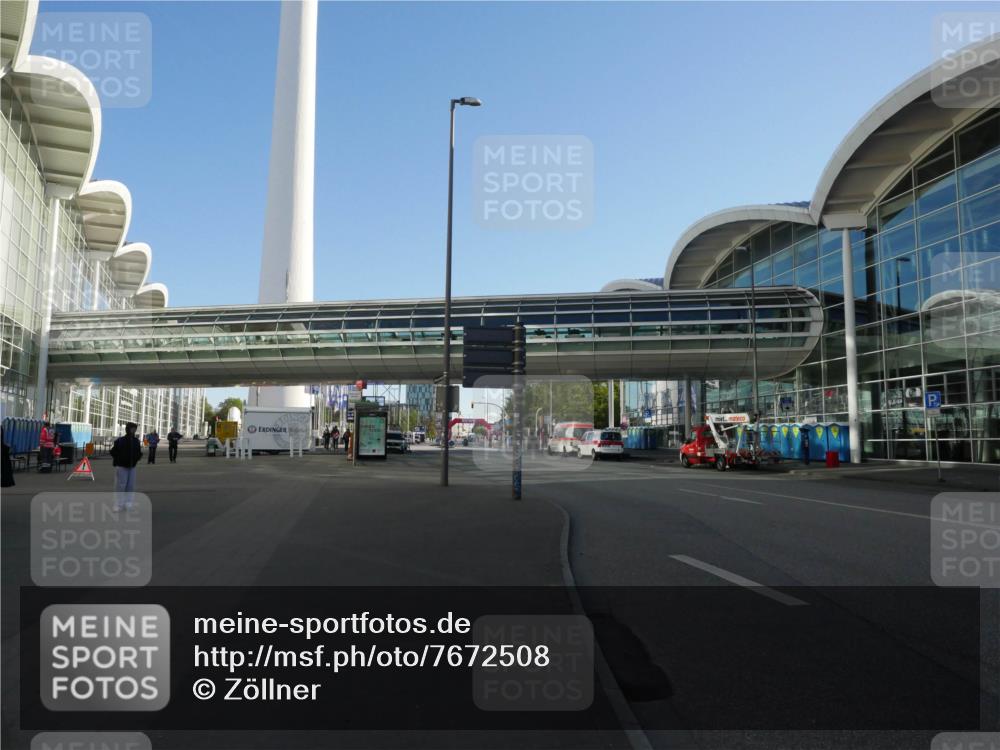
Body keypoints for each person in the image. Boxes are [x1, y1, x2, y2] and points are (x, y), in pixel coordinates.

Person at [111, 422, 142, 506]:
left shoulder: (136, 441)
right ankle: (119, 503)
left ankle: (128, 502)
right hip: (122, 466)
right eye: (132, 428)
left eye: (134, 429)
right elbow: (113, 452)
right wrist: (119, 460)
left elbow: (139, 452)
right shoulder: (120, 440)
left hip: (132, 466)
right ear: (128, 429)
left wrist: (137, 458)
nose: (133, 430)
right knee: (121, 485)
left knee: (131, 485)